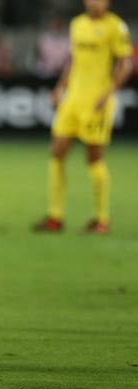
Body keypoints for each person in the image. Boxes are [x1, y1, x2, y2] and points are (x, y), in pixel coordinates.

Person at [34, 0, 133, 234]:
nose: (95, 3)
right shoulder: (77, 24)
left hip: (97, 102)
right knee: (56, 152)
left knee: (94, 158)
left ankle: (101, 219)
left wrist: (108, 93)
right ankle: (55, 217)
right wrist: (60, 87)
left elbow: (126, 65)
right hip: (73, 100)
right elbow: (74, 60)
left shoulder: (116, 26)